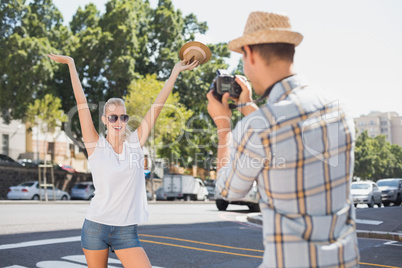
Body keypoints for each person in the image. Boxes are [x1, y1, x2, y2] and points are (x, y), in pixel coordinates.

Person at [207, 11, 360, 268]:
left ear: (250, 53)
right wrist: (248, 106)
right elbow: (287, 131)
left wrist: (224, 126)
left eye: (243, 57)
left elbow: (227, 190)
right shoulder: (339, 107)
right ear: (290, 51)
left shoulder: (256, 128)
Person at [48, 53, 198, 268]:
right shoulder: (95, 145)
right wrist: (71, 63)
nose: (118, 121)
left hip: (126, 231)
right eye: (113, 117)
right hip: (95, 227)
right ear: (105, 120)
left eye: (123, 117)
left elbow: (158, 105)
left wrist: (174, 72)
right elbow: (81, 102)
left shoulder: (135, 143)